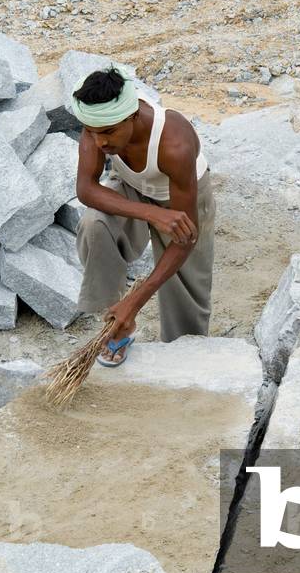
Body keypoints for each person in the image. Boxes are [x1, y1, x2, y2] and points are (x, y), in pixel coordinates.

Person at [70, 66, 215, 367]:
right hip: (132, 188)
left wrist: (135, 303)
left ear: (133, 116)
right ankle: (117, 324)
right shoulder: (97, 126)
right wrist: (150, 213)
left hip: (183, 196)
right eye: (93, 133)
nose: (101, 143)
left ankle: (183, 360)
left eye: (109, 132)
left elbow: (185, 239)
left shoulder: (174, 142)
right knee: (93, 225)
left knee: (184, 291)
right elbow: (85, 188)